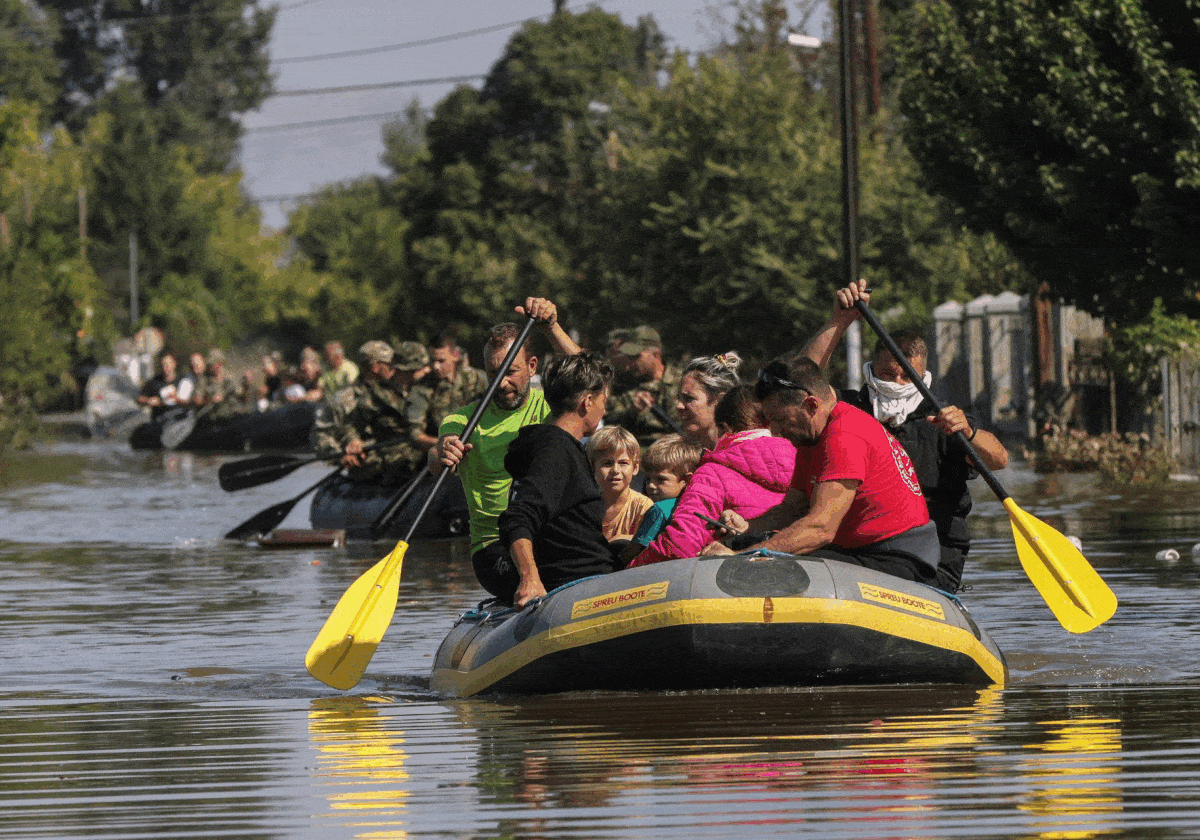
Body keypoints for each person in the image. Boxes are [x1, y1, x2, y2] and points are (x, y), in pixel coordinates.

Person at [802, 280, 1010, 591]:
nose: (898, 383)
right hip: (860, 549)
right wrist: (839, 321)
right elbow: (803, 383)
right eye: (888, 374)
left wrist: (969, 430)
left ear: (922, 375)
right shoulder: (848, 409)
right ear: (872, 370)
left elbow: (999, 460)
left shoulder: (944, 418)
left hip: (931, 558)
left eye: (906, 375)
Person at [706, 354, 940, 586]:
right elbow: (793, 508)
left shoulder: (844, 436)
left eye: (779, 419)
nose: (775, 431)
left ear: (811, 405)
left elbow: (820, 529)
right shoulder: (811, 436)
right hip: (865, 551)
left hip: (897, 559)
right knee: (755, 545)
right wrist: (747, 526)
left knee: (769, 562)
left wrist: (742, 558)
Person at [433, 297, 583, 593]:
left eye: (510, 372)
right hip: (494, 547)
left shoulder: (551, 408)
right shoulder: (461, 421)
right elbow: (435, 458)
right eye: (493, 373)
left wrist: (552, 328)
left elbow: (588, 378)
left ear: (532, 365)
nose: (501, 383)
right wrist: (442, 451)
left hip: (550, 537)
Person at [494, 352, 617, 607]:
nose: (605, 409)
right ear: (587, 402)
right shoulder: (555, 451)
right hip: (578, 589)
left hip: (597, 577)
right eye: (604, 400)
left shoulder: (562, 447)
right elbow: (518, 517)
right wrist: (530, 578)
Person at [629, 384, 795, 567]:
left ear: (723, 428)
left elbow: (679, 545)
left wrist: (631, 571)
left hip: (735, 582)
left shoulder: (712, 472)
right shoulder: (801, 460)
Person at [311, 340, 430, 485]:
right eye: (390, 365)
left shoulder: (400, 387)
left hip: (406, 452)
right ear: (375, 367)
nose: (396, 369)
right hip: (373, 461)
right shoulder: (345, 400)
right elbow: (321, 435)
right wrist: (341, 454)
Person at [620, 434, 705, 566]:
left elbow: (637, 548)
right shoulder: (701, 505)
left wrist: (618, 560)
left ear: (687, 480)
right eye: (648, 479)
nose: (651, 486)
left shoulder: (660, 509)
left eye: (661, 479)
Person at [604, 325, 682, 448]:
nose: (631, 363)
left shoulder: (682, 382)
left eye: (636, 357)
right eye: (629, 358)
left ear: (656, 354)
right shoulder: (622, 385)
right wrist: (632, 412)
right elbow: (610, 425)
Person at [415, 333, 488, 450]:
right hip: (442, 452)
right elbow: (415, 434)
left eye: (441, 361)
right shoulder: (423, 387)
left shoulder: (477, 378)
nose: (436, 366)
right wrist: (445, 444)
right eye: (432, 360)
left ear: (456, 355)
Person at [586, 425, 653, 544]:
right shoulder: (585, 506)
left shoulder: (643, 508)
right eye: (607, 463)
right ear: (592, 467)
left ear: (636, 467)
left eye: (623, 463)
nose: (615, 470)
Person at [674, 352, 742, 449]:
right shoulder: (681, 455)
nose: (679, 406)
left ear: (720, 402)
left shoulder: (742, 452)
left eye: (689, 398)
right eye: (679, 398)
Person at [137, 352, 190, 419]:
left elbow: (191, 400)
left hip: (179, 420)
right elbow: (139, 398)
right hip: (160, 420)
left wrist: (179, 399)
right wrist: (149, 400)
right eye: (164, 364)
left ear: (174, 364)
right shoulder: (155, 381)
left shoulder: (184, 381)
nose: (166, 367)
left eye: (169, 364)